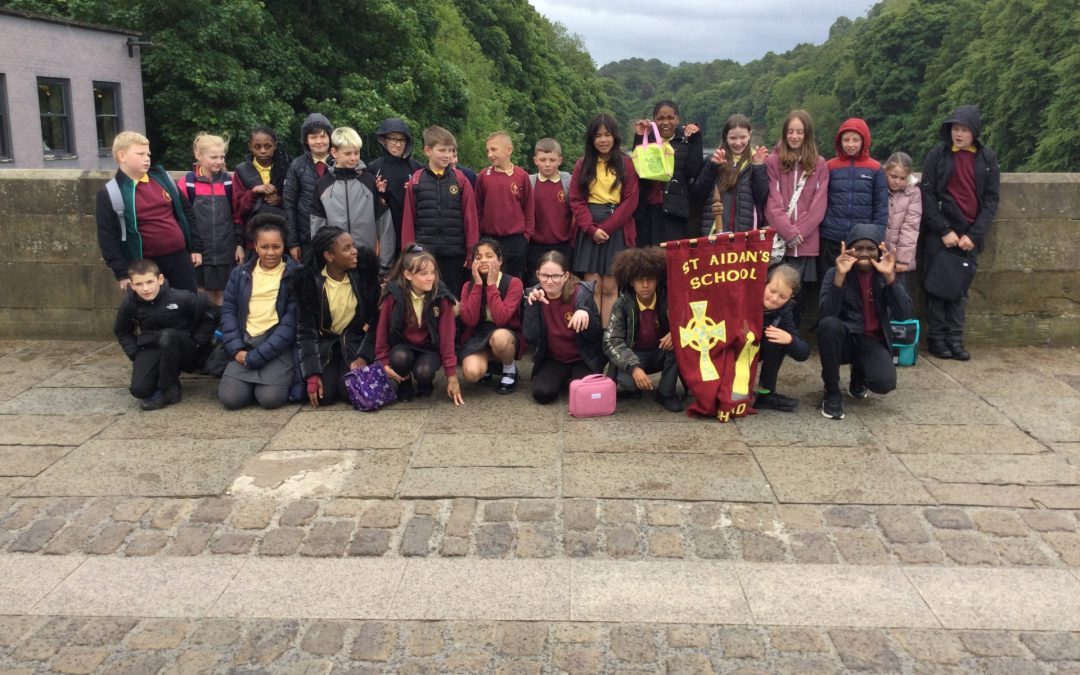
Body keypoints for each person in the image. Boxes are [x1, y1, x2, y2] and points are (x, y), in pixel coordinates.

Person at [919, 105, 999, 361]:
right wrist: (943, 229)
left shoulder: (987, 158)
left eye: (964, 129)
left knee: (959, 293)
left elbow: (991, 200)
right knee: (936, 289)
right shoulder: (938, 155)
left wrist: (974, 235)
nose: (959, 134)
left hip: (969, 235)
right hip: (941, 233)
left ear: (974, 132)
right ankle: (937, 340)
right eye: (955, 129)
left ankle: (955, 340)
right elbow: (927, 193)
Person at [818, 223, 912, 420]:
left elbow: (904, 314)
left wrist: (890, 277)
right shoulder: (834, 273)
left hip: (871, 340)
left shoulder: (883, 274)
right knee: (828, 326)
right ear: (848, 249)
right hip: (844, 339)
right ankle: (832, 392)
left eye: (870, 249)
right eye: (858, 248)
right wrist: (840, 276)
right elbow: (826, 313)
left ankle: (858, 377)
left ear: (879, 251)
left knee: (884, 383)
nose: (864, 253)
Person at [96, 131, 201, 292]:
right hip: (144, 265)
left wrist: (195, 247)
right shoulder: (110, 193)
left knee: (188, 306)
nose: (147, 158)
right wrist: (122, 273)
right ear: (122, 156)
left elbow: (187, 213)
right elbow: (107, 237)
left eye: (148, 154)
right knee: (152, 313)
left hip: (180, 258)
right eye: (140, 154)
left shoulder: (163, 179)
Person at [219, 215, 301, 410]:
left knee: (270, 399)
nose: (270, 252)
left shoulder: (296, 273)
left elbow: (291, 324)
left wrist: (257, 357)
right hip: (245, 345)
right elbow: (228, 311)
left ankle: (268, 381)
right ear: (255, 246)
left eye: (276, 247)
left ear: (284, 246)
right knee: (231, 399)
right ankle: (246, 383)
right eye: (264, 247)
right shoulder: (240, 274)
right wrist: (237, 349)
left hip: (276, 348)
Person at [293, 226, 381, 408]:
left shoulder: (365, 274)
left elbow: (377, 321)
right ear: (329, 256)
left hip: (356, 343)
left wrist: (365, 356)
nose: (354, 251)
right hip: (326, 346)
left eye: (353, 245)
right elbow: (306, 332)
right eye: (346, 248)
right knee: (325, 397)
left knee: (351, 392)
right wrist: (312, 374)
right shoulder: (309, 281)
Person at [114, 259, 216, 410]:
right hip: (153, 346)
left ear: (160, 279)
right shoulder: (130, 303)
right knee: (139, 390)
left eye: (150, 282)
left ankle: (168, 389)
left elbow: (211, 316)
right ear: (132, 285)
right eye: (139, 284)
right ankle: (165, 378)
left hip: (184, 347)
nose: (146, 288)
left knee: (168, 336)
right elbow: (122, 330)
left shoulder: (180, 297)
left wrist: (197, 341)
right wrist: (134, 353)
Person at [570, 114, 640, 327]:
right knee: (593, 287)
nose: (603, 140)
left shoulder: (625, 163)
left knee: (611, 287)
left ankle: (608, 338)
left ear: (614, 136)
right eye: (598, 135)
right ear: (591, 139)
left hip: (616, 228)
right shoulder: (583, 164)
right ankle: (591, 336)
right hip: (589, 227)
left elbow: (630, 200)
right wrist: (591, 229)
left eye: (607, 135)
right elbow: (576, 199)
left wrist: (606, 228)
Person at [764, 110, 829, 326]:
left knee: (797, 293)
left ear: (807, 134)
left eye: (799, 132)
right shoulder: (773, 162)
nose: (794, 136)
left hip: (805, 242)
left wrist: (798, 233)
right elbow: (772, 202)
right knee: (774, 289)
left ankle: (793, 335)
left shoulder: (819, 164)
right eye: (790, 131)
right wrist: (788, 232)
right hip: (779, 241)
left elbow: (818, 207)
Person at [375, 244, 462, 405]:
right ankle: (404, 381)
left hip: (428, 348)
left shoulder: (441, 297)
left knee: (424, 371)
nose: (430, 277)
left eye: (433, 272)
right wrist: (384, 361)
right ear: (408, 275)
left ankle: (424, 383)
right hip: (402, 346)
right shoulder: (393, 296)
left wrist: (452, 377)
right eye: (423, 274)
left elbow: (447, 338)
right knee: (400, 358)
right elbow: (382, 331)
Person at [400, 126, 479, 297]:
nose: (448, 155)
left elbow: (470, 220)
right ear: (428, 150)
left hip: (454, 256)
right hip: (424, 257)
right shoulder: (416, 180)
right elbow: (408, 221)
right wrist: (408, 254)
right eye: (442, 150)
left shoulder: (460, 180)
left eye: (451, 151)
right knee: (427, 301)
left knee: (453, 301)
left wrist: (471, 253)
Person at [602, 247, 681, 412]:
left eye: (650, 279)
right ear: (631, 281)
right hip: (635, 354)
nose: (645, 285)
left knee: (678, 345)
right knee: (628, 383)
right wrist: (634, 367)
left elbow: (691, 320)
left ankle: (666, 394)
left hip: (661, 352)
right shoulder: (622, 303)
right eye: (640, 280)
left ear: (658, 280)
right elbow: (611, 341)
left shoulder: (669, 298)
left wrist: (676, 333)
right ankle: (634, 389)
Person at [308, 127, 395, 275]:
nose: (354, 158)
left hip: (366, 261)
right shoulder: (323, 185)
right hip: (335, 262)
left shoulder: (369, 182)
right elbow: (317, 226)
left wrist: (385, 265)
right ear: (334, 153)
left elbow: (384, 225)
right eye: (348, 153)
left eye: (356, 153)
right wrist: (320, 261)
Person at [523, 250, 604, 404]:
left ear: (566, 276)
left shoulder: (581, 292)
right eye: (544, 275)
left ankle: (573, 380)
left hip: (583, 358)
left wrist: (585, 313)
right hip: (555, 359)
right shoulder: (533, 294)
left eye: (555, 276)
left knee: (584, 396)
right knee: (542, 394)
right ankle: (564, 379)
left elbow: (596, 335)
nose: (549, 281)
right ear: (538, 274)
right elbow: (531, 337)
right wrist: (531, 306)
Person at [180, 132, 240, 305]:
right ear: (199, 155)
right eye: (214, 157)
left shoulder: (229, 182)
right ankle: (205, 330)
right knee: (201, 295)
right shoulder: (188, 183)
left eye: (222, 156)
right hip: (200, 251)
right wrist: (191, 248)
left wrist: (239, 245)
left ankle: (221, 329)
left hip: (225, 250)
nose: (219, 161)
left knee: (223, 294)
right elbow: (182, 219)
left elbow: (236, 215)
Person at [458, 239, 524, 394]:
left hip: (504, 331)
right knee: (471, 375)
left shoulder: (514, 283)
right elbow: (470, 320)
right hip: (479, 334)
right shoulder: (468, 286)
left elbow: (501, 319)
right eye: (478, 257)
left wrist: (492, 285)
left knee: (499, 338)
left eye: (489, 255)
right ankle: (487, 365)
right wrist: (478, 285)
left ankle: (509, 368)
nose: (483, 260)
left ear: (499, 260)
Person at [632, 100, 703, 245]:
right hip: (647, 212)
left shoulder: (686, 141)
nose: (666, 122)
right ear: (654, 120)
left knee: (672, 260)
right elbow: (637, 172)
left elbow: (693, 171)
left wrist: (696, 139)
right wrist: (639, 136)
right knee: (647, 260)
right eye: (660, 118)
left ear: (677, 119)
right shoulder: (647, 142)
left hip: (674, 213)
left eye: (670, 118)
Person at [820, 117, 888, 269]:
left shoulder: (875, 168)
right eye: (846, 140)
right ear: (840, 141)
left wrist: (876, 236)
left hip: (862, 241)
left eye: (855, 140)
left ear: (864, 141)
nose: (850, 144)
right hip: (831, 237)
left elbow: (881, 206)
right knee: (831, 281)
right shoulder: (829, 166)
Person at [693, 114, 769, 235]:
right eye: (733, 138)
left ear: (749, 135)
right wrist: (712, 167)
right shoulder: (714, 159)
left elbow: (762, 198)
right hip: (715, 231)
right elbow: (698, 193)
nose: (738, 143)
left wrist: (759, 167)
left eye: (743, 137)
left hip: (745, 232)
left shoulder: (756, 159)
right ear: (726, 137)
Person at [475, 131, 534, 280]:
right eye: (487, 150)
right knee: (488, 280)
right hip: (489, 240)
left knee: (512, 282)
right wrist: (480, 236)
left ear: (508, 150)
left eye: (494, 149)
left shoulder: (522, 176)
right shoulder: (483, 176)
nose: (489, 154)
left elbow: (529, 208)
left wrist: (525, 237)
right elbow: (478, 208)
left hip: (515, 241)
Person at [753, 264, 810, 412]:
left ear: (791, 296)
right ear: (765, 283)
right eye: (772, 291)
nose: (774, 298)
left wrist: (790, 339)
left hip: (758, 349)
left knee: (777, 339)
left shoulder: (785, 312)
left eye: (783, 296)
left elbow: (803, 353)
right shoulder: (748, 298)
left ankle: (765, 393)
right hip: (737, 350)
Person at [284, 112, 335, 261]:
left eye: (323, 136)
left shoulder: (340, 162)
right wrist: (293, 243)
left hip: (336, 237)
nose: (318, 141)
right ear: (306, 140)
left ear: (330, 138)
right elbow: (289, 204)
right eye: (313, 137)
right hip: (306, 239)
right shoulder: (297, 166)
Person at [232, 127, 289, 256]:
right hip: (253, 238)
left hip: (282, 236)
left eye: (267, 146)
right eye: (257, 147)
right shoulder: (242, 171)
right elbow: (238, 208)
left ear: (275, 146)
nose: (263, 151)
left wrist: (280, 200)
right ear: (250, 147)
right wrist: (254, 192)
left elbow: (295, 199)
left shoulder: (286, 167)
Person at [367, 118, 423, 248]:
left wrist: (414, 191)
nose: (398, 144)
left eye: (402, 140)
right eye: (393, 139)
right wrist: (380, 193)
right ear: (384, 140)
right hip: (383, 230)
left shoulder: (417, 168)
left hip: (411, 229)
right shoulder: (374, 168)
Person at [527, 138, 574, 281]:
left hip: (563, 245)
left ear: (560, 160)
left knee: (562, 284)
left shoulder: (568, 182)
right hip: (535, 246)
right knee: (536, 284)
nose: (547, 164)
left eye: (552, 160)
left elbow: (576, 212)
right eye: (543, 160)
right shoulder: (529, 183)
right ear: (535, 160)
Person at [883, 152, 922, 291]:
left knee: (898, 296)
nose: (897, 181)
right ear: (886, 171)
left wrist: (902, 258)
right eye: (893, 176)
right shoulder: (879, 187)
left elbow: (911, 227)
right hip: (878, 255)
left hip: (898, 258)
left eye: (902, 178)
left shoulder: (913, 193)